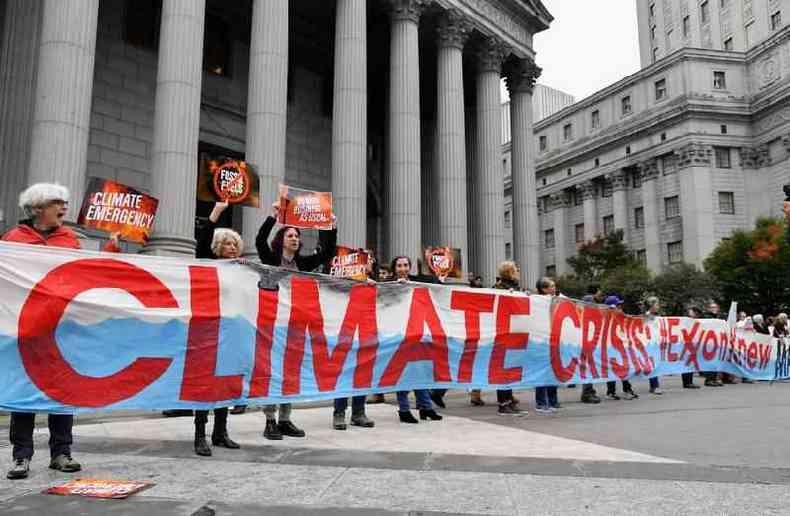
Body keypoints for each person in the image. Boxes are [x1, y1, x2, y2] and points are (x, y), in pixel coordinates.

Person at [3, 183, 118, 480]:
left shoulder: (69, 240)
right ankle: (21, 456)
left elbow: (85, 274)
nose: (64, 208)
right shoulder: (14, 240)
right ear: (39, 207)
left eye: (65, 203)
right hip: (24, 331)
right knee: (23, 394)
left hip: (62, 330)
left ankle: (62, 453)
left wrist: (110, 251)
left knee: (62, 392)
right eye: (58, 202)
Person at [256, 201, 338, 440]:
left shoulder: (302, 264)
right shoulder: (269, 258)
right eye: (290, 235)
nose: (294, 238)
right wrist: (273, 216)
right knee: (272, 372)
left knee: (290, 372)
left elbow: (328, 253)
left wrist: (330, 227)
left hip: (295, 325)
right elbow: (260, 240)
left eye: (297, 236)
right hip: (271, 324)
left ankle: (285, 419)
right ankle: (270, 420)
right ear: (282, 239)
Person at [190, 201, 242, 456]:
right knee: (205, 384)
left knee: (224, 382)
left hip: (229, 332)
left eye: (235, 244)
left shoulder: (240, 271)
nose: (232, 248)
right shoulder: (207, 264)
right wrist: (216, 213)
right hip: (206, 331)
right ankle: (200, 434)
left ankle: (220, 432)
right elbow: (202, 241)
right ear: (217, 247)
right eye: (227, 244)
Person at [389, 256, 443, 423]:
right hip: (399, 335)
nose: (403, 268)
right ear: (394, 269)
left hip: (417, 333)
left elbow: (437, 287)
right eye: (399, 266)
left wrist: (440, 280)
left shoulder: (416, 281)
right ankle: (404, 409)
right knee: (404, 373)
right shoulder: (387, 285)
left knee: (420, 370)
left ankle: (426, 407)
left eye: (405, 265)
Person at [333, 254, 376, 430]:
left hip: (367, 334)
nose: (368, 263)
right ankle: (339, 413)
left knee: (363, 374)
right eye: (365, 260)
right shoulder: (344, 284)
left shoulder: (376, 283)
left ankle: (359, 412)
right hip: (347, 334)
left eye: (370, 260)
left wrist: (375, 284)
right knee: (344, 374)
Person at [492, 261, 527, 416]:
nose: (518, 271)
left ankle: (509, 401)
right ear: (509, 272)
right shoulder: (499, 288)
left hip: (513, 333)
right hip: (503, 333)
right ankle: (503, 404)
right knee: (503, 370)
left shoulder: (516, 287)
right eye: (515, 270)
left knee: (510, 368)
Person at [604, 295, 639, 400]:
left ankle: (626, 390)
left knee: (624, 368)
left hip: (620, 346)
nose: (621, 307)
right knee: (613, 370)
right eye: (618, 305)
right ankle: (612, 392)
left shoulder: (621, 316)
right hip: (610, 347)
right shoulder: (607, 317)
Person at [534, 277, 560, 413]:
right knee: (541, 372)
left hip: (553, 339)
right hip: (541, 341)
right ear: (544, 289)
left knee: (553, 371)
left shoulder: (557, 300)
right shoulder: (536, 302)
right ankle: (541, 403)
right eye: (552, 286)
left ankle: (553, 401)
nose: (554, 288)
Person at [579, 286, 604, 404]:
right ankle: (587, 393)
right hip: (587, 339)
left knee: (588, 366)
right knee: (587, 366)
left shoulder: (588, 300)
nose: (601, 294)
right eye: (600, 291)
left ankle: (588, 392)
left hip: (587, 338)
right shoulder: (589, 299)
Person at [702, 301, 725, 387]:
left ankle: (714, 378)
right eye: (712, 307)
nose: (714, 309)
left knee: (716, 361)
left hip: (717, 341)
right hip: (709, 342)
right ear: (709, 309)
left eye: (715, 307)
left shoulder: (718, 317)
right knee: (710, 361)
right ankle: (708, 379)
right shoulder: (706, 317)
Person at [644, 296, 663, 395]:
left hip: (657, 343)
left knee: (655, 365)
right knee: (652, 365)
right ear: (651, 305)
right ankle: (654, 386)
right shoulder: (647, 316)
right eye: (656, 304)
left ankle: (655, 385)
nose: (658, 306)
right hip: (650, 344)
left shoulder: (658, 316)